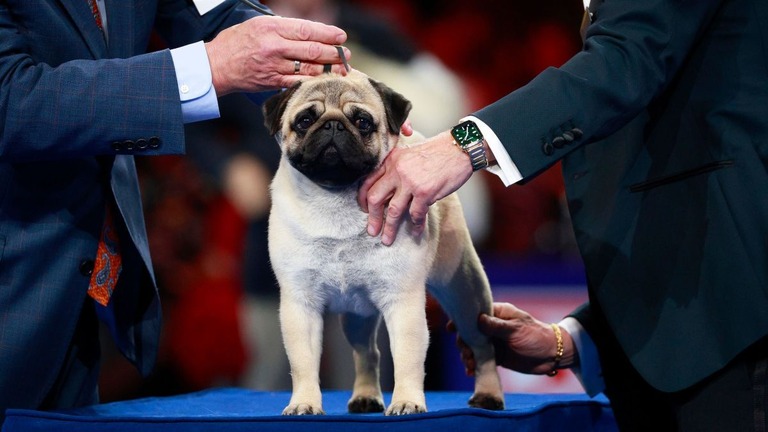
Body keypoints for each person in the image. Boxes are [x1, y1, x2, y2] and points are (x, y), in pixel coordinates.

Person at [358, 0, 768, 429]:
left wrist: (463, 145)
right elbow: (679, 169)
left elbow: (624, 64)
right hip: (688, 342)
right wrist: (576, 341)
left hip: (737, 341)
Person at [0, 0, 350, 423]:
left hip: (85, 284)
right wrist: (209, 68)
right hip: (18, 272)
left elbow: (216, 13)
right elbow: (11, 101)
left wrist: (352, 101)